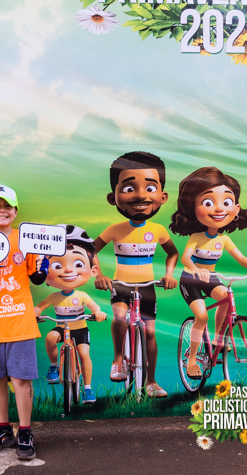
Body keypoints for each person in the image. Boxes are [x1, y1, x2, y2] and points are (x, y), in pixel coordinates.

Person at [169, 166, 247, 379]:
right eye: (209, 202)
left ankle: (218, 338)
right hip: (191, 279)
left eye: (226, 202)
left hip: (211, 278)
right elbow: (185, 258)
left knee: (226, 297)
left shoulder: (224, 239)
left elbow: (241, 258)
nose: (218, 209)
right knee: (201, 316)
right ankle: (191, 361)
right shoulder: (197, 237)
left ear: (235, 209)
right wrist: (196, 270)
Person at [93, 151, 179, 398]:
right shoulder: (115, 229)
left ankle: (151, 381)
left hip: (148, 286)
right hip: (120, 285)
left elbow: (173, 253)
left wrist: (169, 274)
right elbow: (91, 250)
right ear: (113, 197)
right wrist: (99, 275)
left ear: (162, 197)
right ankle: (118, 359)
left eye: (150, 188)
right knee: (120, 318)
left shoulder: (158, 229)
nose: (141, 195)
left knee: (150, 333)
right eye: (130, 189)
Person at [0, 185, 47, 460]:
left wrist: (42, 269)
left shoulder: (25, 241)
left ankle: (25, 431)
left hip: (20, 321)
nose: (2, 211)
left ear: (16, 211)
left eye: (7, 206)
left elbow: (36, 278)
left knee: (21, 378)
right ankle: (3, 429)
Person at [35, 225, 107, 404]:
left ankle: (87, 388)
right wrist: (35, 312)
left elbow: (93, 305)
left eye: (77, 264)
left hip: (80, 329)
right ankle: (54, 365)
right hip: (62, 328)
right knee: (50, 337)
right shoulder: (54, 296)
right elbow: (40, 307)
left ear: (93, 270)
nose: (68, 270)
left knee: (84, 354)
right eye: (58, 266)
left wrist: (97, 312)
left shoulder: (81, 295)